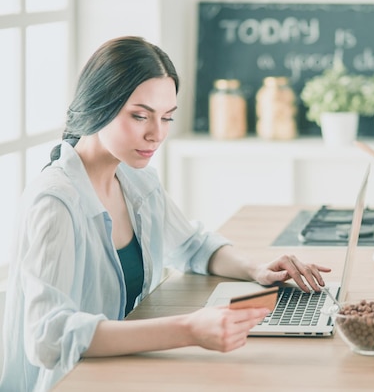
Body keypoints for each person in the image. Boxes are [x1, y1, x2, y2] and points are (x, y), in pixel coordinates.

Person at [0, 36, 331, 391]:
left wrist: (257, 269)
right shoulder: (56, 202)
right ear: (100, 105)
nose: (156, 134)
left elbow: (192, 246)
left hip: (121, 372)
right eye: (140, 116)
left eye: (167, 118)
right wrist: (187, 329)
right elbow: (47, 337)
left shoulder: (135, 178)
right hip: (71, 382)